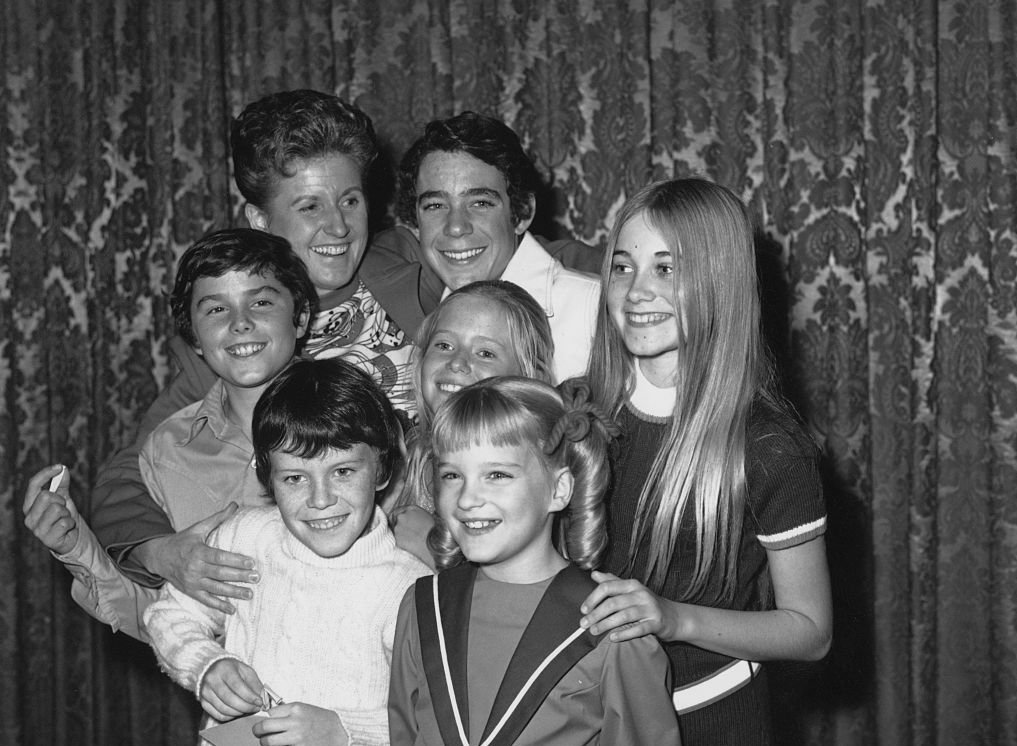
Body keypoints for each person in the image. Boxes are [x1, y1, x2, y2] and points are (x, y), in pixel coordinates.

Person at [88, 90, 426, 615]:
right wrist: (162, 552)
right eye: (309, 206)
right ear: (261, 220)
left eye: (350, 200)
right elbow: (128, 476)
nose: (337, 226)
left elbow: (532, 266)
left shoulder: (413, 270)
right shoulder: (237, 341)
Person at [577, 178, 833, 744]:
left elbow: (810, 632)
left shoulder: (769, 448)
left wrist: (674, 617)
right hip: (586, 715)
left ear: (719, 280)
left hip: (712, 719)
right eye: (623, 267)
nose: (638, 290)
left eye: (666, 269)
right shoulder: (573, 411)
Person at [22, 228, 316, 639]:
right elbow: (160, 618)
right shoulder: (169, 449)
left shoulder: (358, 420)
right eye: (216, 310)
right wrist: (77, 547)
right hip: (233, 697)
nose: (241, 323)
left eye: (262, 302)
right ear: (193, 337)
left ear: (300, 316)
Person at [144, 358, 431, 746]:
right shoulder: (245, 537)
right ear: (268, 479)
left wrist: (345, 731)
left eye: (343, 472)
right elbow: (168, 614)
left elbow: (433, 721)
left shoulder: (411, 589)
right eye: (295, 478)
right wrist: (206, 665)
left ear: (381, 469)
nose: (321, 499)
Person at [388, 377, 681, 745]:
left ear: (558, 490)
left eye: (496, 474)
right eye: (451, 475)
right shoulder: (422, 606)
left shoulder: (610, 624)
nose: (466, 499)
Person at [385, 111, 601, 382]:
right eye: (435, 206)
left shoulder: (594, 311)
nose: (455, 226)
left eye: (480, 203)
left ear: (521, 213)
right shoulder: (409, 319)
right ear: (415, 223)